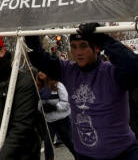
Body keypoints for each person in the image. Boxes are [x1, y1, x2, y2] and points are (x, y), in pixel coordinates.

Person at [25, 22, 138, 159]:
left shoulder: (112, 72)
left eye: (83, 46)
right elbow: (38, 58)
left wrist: (104, 39)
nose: (78, 52)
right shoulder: (68, 70)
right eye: (74, 47)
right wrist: (31, 28)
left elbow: (134, 67)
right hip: (85, 155)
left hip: (123, 153)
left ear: (96, 48)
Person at [36, 72, 75, 160]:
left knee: (69, 142)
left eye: (43, 70)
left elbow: (66, 103)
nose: (40, 73)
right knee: (47, 144)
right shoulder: (39, 87)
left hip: (62, 120)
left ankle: (79, 157)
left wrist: (54, 107)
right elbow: (38, 103)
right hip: (49, 121)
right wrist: (41, 108)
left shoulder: (58, 85)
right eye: (39, 71)